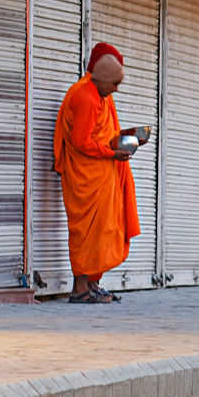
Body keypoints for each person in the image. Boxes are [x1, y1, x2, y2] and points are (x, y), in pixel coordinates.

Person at [54, 43, 145, 302]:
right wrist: (111, 153)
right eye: (114, 84)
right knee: (86, 231)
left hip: (101, 172)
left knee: (104, 230)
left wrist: (127, 138)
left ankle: (93, 284)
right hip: (86, 176)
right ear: (102, 79)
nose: (115, 90)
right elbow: (81, 141)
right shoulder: (86, 96)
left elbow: (102, 135)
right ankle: (79, 289)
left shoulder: (101, 95)